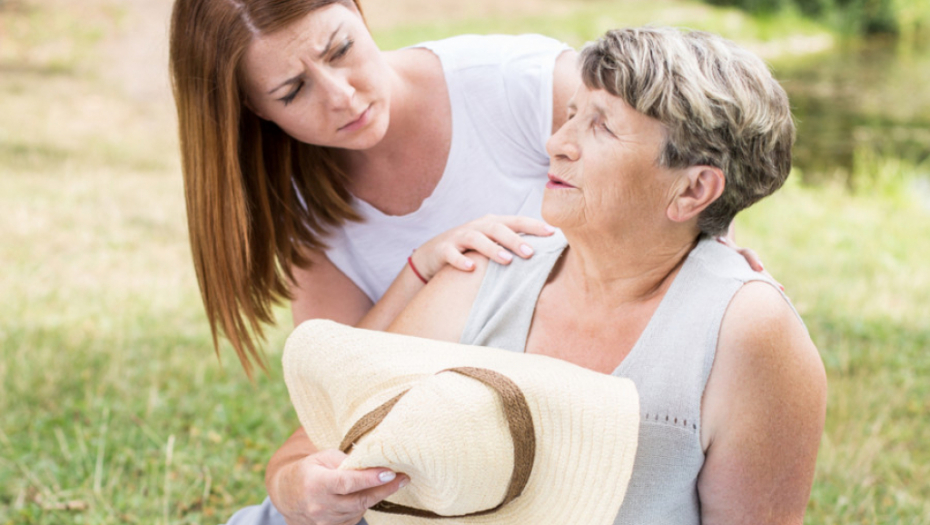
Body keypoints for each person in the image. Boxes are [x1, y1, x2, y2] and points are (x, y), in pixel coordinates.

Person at [168, 0, 767, 522]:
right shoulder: (293, 198)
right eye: (292, 92)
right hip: (436, 462)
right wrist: (421, 270)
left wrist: (715, 258)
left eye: (342, 49)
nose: (342, 95)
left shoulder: (516, 85)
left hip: (561, 438)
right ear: (253, 112)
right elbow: (339, 395)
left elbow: (681, 159)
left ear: (357, 10)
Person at [386, 27, 828, 524]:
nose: (557, 144)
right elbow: (348, 428)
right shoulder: (489, 267)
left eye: (602, 126)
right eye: (571, 114)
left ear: (693, 189)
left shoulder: (747, 332)